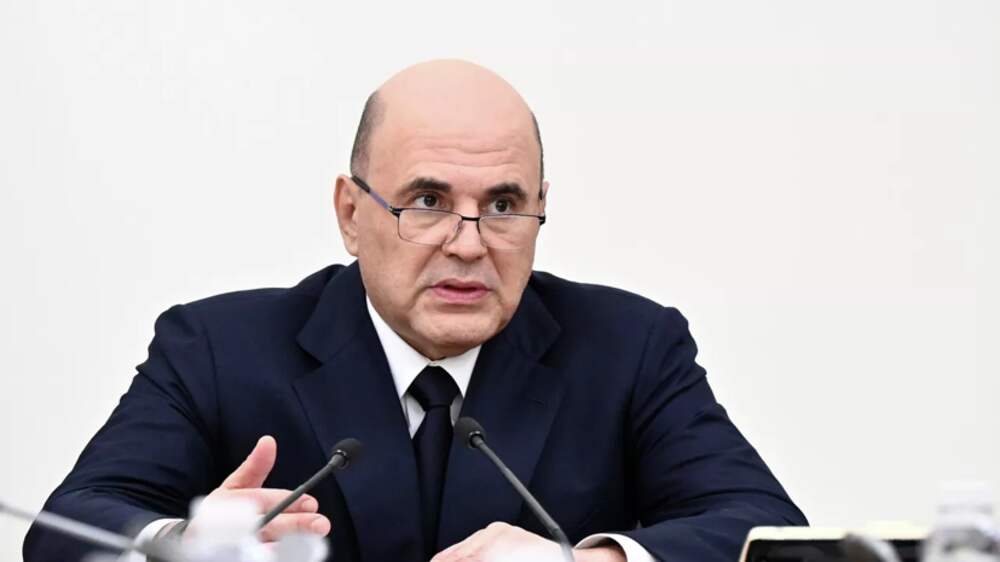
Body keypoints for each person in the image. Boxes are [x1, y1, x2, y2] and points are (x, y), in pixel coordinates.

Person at [23, 60, 807, 562]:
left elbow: (766, 529)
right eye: (427, 202)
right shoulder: (217, 348)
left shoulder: (630, 348)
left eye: (503, 205)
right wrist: (177, 544)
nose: (468, 243)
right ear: (350, 212)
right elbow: (66, 526)